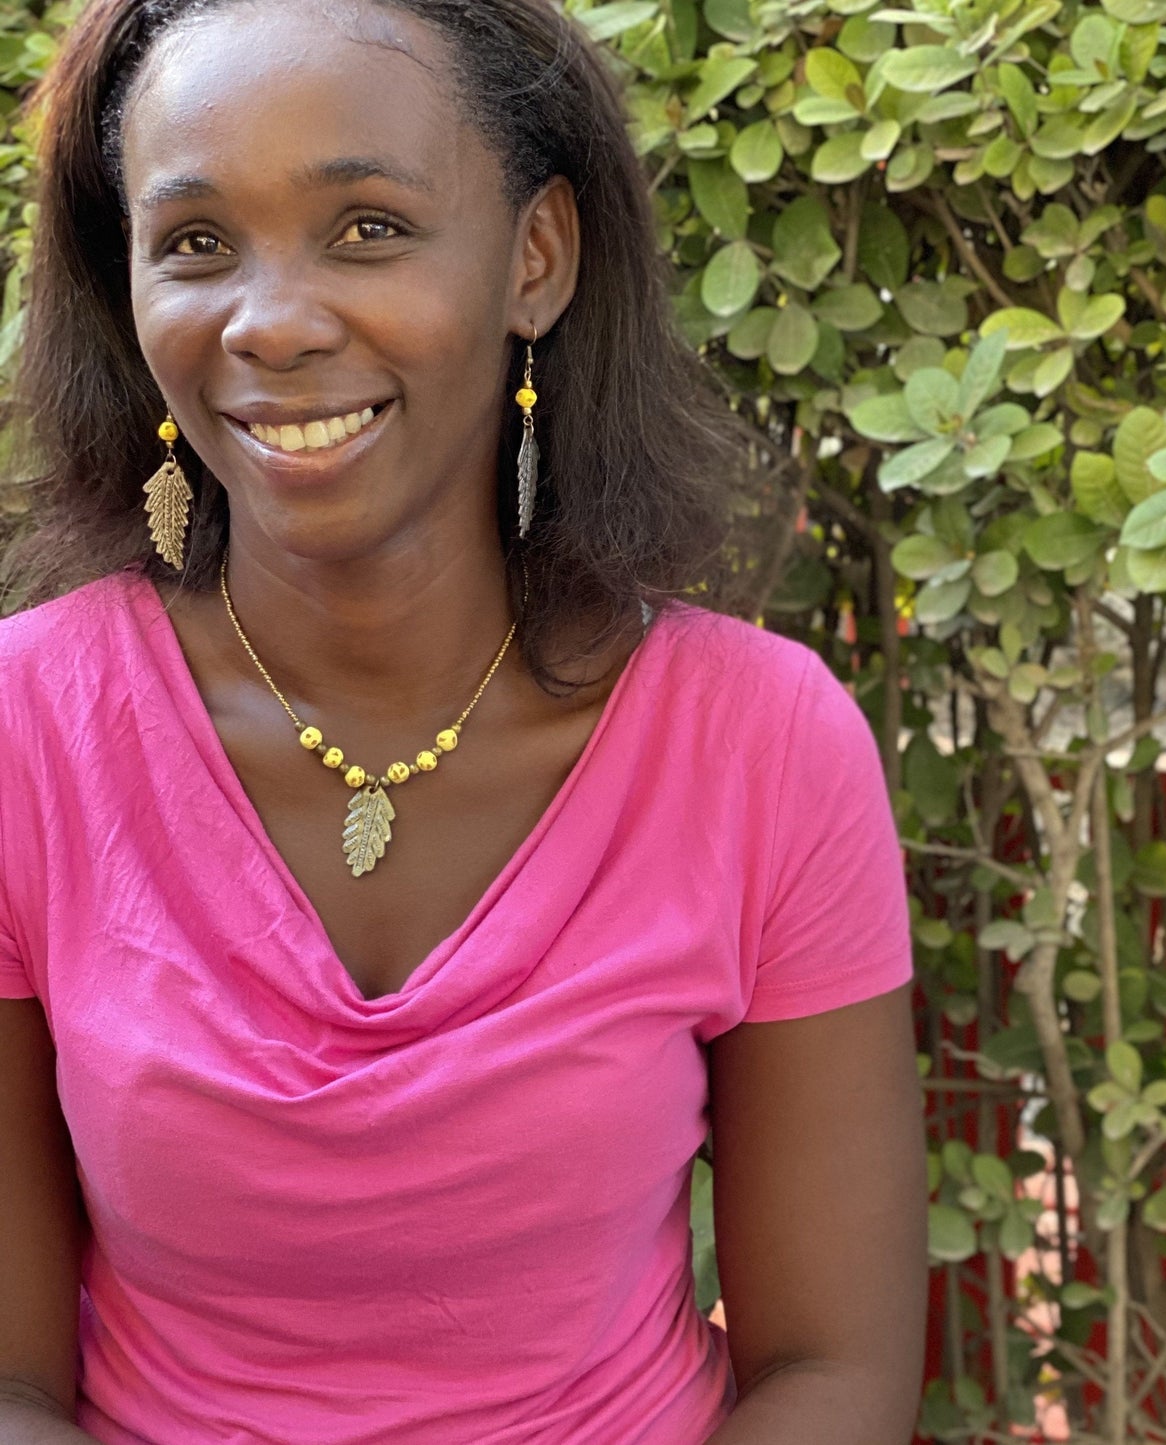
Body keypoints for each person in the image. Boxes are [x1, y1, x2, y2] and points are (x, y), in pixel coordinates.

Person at [0, 0, 927, 1439]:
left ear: (535, 257)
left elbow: (830, 1366)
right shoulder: (24, 735)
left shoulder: (761, 742)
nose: (273, 321)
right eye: (193, 242)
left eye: (367, 226)